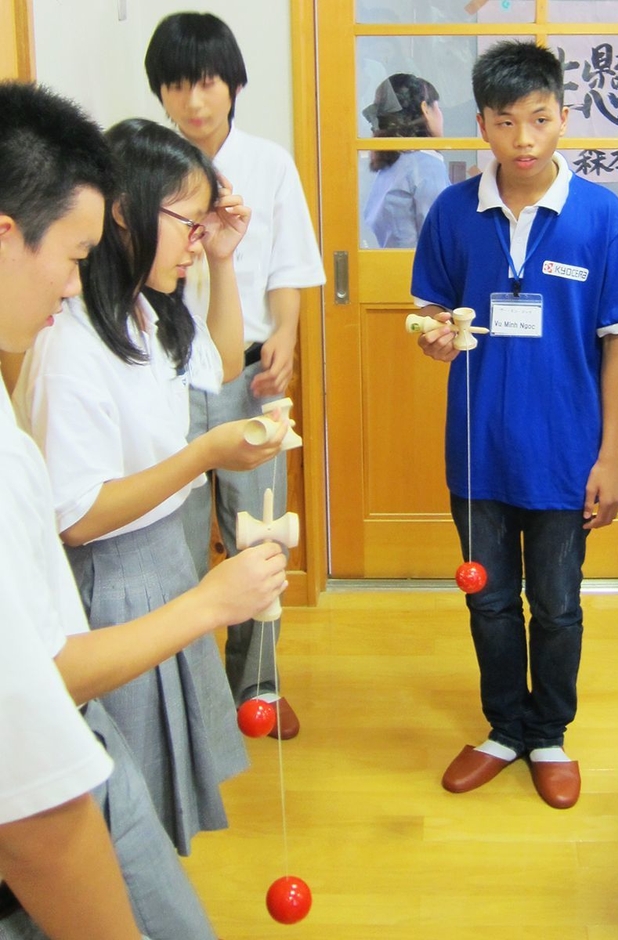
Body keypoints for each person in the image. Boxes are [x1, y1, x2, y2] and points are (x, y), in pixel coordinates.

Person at [0, 81, 285, 940]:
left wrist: (229, 259)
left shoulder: (146, 315)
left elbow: (226, 361)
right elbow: (79, 518)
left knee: (149, 806)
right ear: (126, 217)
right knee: (126, 817)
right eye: (187, 224)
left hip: (167, 570)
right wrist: (203, 458)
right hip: (122, 588)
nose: (197, 243)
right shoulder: (65, 343)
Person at [411, 40, 618, 810]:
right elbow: (428, 316)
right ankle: (503, 728)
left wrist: (611, 455)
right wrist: (433, 337)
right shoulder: (454, 211)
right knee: (486, 599)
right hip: (479, 455)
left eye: (540, 120)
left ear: (563, 117)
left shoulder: (601, 217)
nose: (524, 140)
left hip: (564, 454)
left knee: (556, 604)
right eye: (506, 122)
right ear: (480, 123)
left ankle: (548, 731)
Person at [145, 11, 326, 741]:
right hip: (162, 378)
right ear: (160, 93)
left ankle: (256, 683)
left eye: (208, 81)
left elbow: (289, 267)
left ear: (234, 84)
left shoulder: (271, 163)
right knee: (174, 537)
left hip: (251, 375)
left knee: (260, 532)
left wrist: (284, 332)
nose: (194, 100)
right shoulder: (140, 166)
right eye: (178, 84)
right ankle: (189, 696)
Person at [362, 72, 450, 248]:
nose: (441, 115)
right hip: (415, 269)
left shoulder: (393, 162)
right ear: (426, 109)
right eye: (438, 107)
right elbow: (441, 237)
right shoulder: (426, 165)